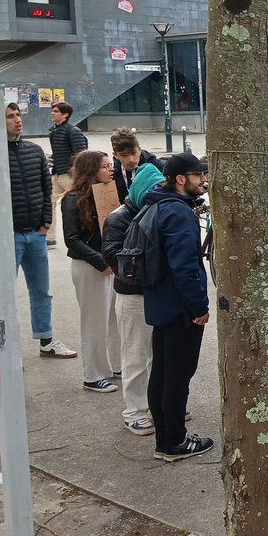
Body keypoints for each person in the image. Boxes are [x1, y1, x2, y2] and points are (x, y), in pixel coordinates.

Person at [142, 152, 214, 462]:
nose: (203, 181)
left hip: (161, 301)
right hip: (180, 306)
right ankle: (174, 441)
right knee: (177, 375)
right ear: (181, 179)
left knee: (161, 372)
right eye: (199, 175)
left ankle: (165, 437)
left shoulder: (156, 204)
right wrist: (199, 306)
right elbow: (185, 266)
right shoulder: (179, 213)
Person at [7, 103, 76, 369]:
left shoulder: (33, 151)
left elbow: (46, 189)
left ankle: (46, 341)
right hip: (9, 237)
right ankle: (6, 349)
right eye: (10, 117)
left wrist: (45, 223)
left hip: (34, 234)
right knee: (4, 296)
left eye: (18, 115)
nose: (17, 120)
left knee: (41, 292)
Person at [102, 162, 166, 435]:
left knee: (157, 354)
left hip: (155, 294)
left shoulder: (157, 213)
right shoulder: (119, 218)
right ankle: (135, 410)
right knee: (134, 354)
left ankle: (156, 404)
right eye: (154, 188)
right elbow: (112, 257)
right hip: (132, 295)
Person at [61, 150, 121, 394]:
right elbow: (72, 240)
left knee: (114, 319)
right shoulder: (72, 199)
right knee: (94, 322)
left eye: (109, 165)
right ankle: (92, 375)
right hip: (89, 267)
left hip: (109, 264)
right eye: (105, 166)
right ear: (91, 170)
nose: (110, 170)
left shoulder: (107, 192)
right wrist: (100, 261)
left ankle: (115, 365)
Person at [47, 100, 88, 246]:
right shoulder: (53, 131)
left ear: (65, 115)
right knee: (48, 203)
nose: (52, 113)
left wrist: (75, 174)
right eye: (53, 110)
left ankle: (85, 234)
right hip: (57, 174)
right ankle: (50, 238)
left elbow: (81, 155)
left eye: (56, 111)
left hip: (70, 176)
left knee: (78, 205)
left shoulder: (73, 131)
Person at [109, 127, 160, 204]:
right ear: (115, 155)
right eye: (124, 155)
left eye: (133, 153)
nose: (131, 160)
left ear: (139, 150)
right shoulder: (113, 174)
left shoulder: (158, 168)